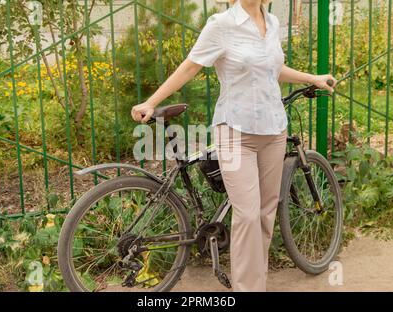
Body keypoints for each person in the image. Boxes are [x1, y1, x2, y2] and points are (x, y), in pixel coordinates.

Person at [131, 0, 337, 291]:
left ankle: (256, 284)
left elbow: (272, 69)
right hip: (235, 131)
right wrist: (151, 102)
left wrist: (311, 78)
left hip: (274, 130)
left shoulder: (273, 23)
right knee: (248, 215)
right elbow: (190, 66)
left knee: (266, 214)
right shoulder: (221, 25)